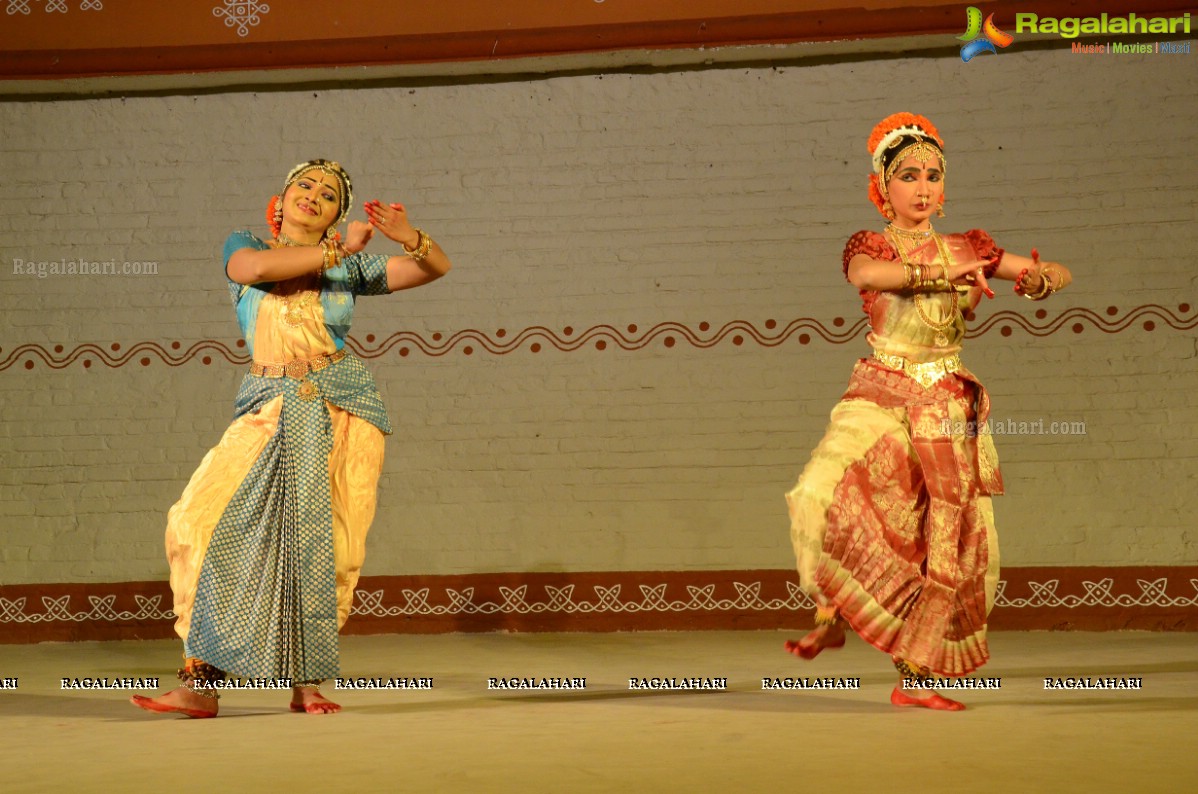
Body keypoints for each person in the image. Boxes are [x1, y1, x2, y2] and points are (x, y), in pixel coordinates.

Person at [132, 159, 452, 718]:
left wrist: (411, 239)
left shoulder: (345, 270)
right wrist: (339, 252)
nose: (314, 195)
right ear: (278, 201)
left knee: (328, 546)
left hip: (340, 408)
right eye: (304, 185)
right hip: (269, 406)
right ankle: (200, 682)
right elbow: (250, 268)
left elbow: (432, 269)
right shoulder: (249, 245)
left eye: (329, 195)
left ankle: (307, 683)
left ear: (335, 217)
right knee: (195, 521)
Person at [784, 113, 1072, 710]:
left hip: (943, 396)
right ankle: (831, 607)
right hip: (884, 388)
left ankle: (918, 677)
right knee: (818, 490)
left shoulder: (970, 246)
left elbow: (1034, 271)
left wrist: (1044, 278)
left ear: (945, 187)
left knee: (947, 535)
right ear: (882, 188)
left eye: (933, 175)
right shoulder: (872, 245)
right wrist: (940, 271)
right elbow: (868, 276)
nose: (922, 187)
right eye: (909, 175)